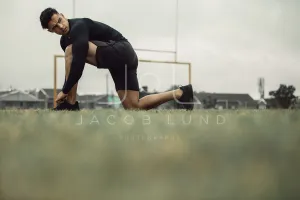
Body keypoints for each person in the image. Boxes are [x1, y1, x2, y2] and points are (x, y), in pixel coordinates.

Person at [39, 8, 194, 111]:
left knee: (72, 51)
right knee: (133, 106)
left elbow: (78, 63)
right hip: (120, 60)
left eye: (60, 20)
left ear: (63, 15)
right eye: (55, 27)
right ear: (51, 31)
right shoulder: (64, 41)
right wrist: (67, 88)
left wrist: (65, 91)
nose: (61, 26)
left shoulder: (79, 26)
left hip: (121, 50)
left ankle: (71, 105)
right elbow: (74, 67)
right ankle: (182, 92)